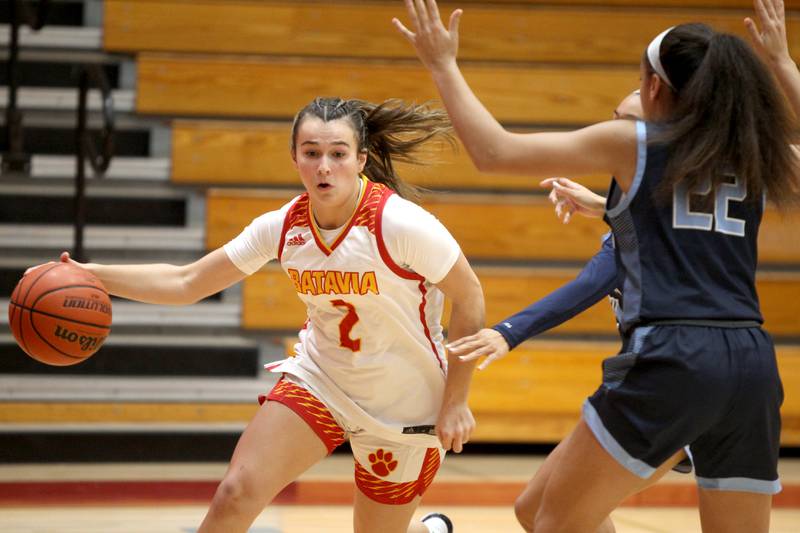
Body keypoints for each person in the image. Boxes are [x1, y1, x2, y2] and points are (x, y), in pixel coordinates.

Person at [394, 1, 799, 532]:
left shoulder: (636, 142)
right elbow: (668, 218)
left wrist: (442, 64)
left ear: (654, 88)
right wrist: (785, 65)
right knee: (539, 509)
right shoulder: (755, 152)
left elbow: (495, 152)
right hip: (750, 363)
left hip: (674, 357)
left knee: (554, 522)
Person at [42, 96, 484, 533]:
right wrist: (91, 275)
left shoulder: (402, 225)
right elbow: (186, 282)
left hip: (405, 403)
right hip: (323, 380)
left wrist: (456, 401)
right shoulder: (283, 226)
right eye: (311, 153)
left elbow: (471, 298)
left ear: (360, 159)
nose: (323, 167)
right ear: (295, 157)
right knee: (236, 492)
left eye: (337, 154)